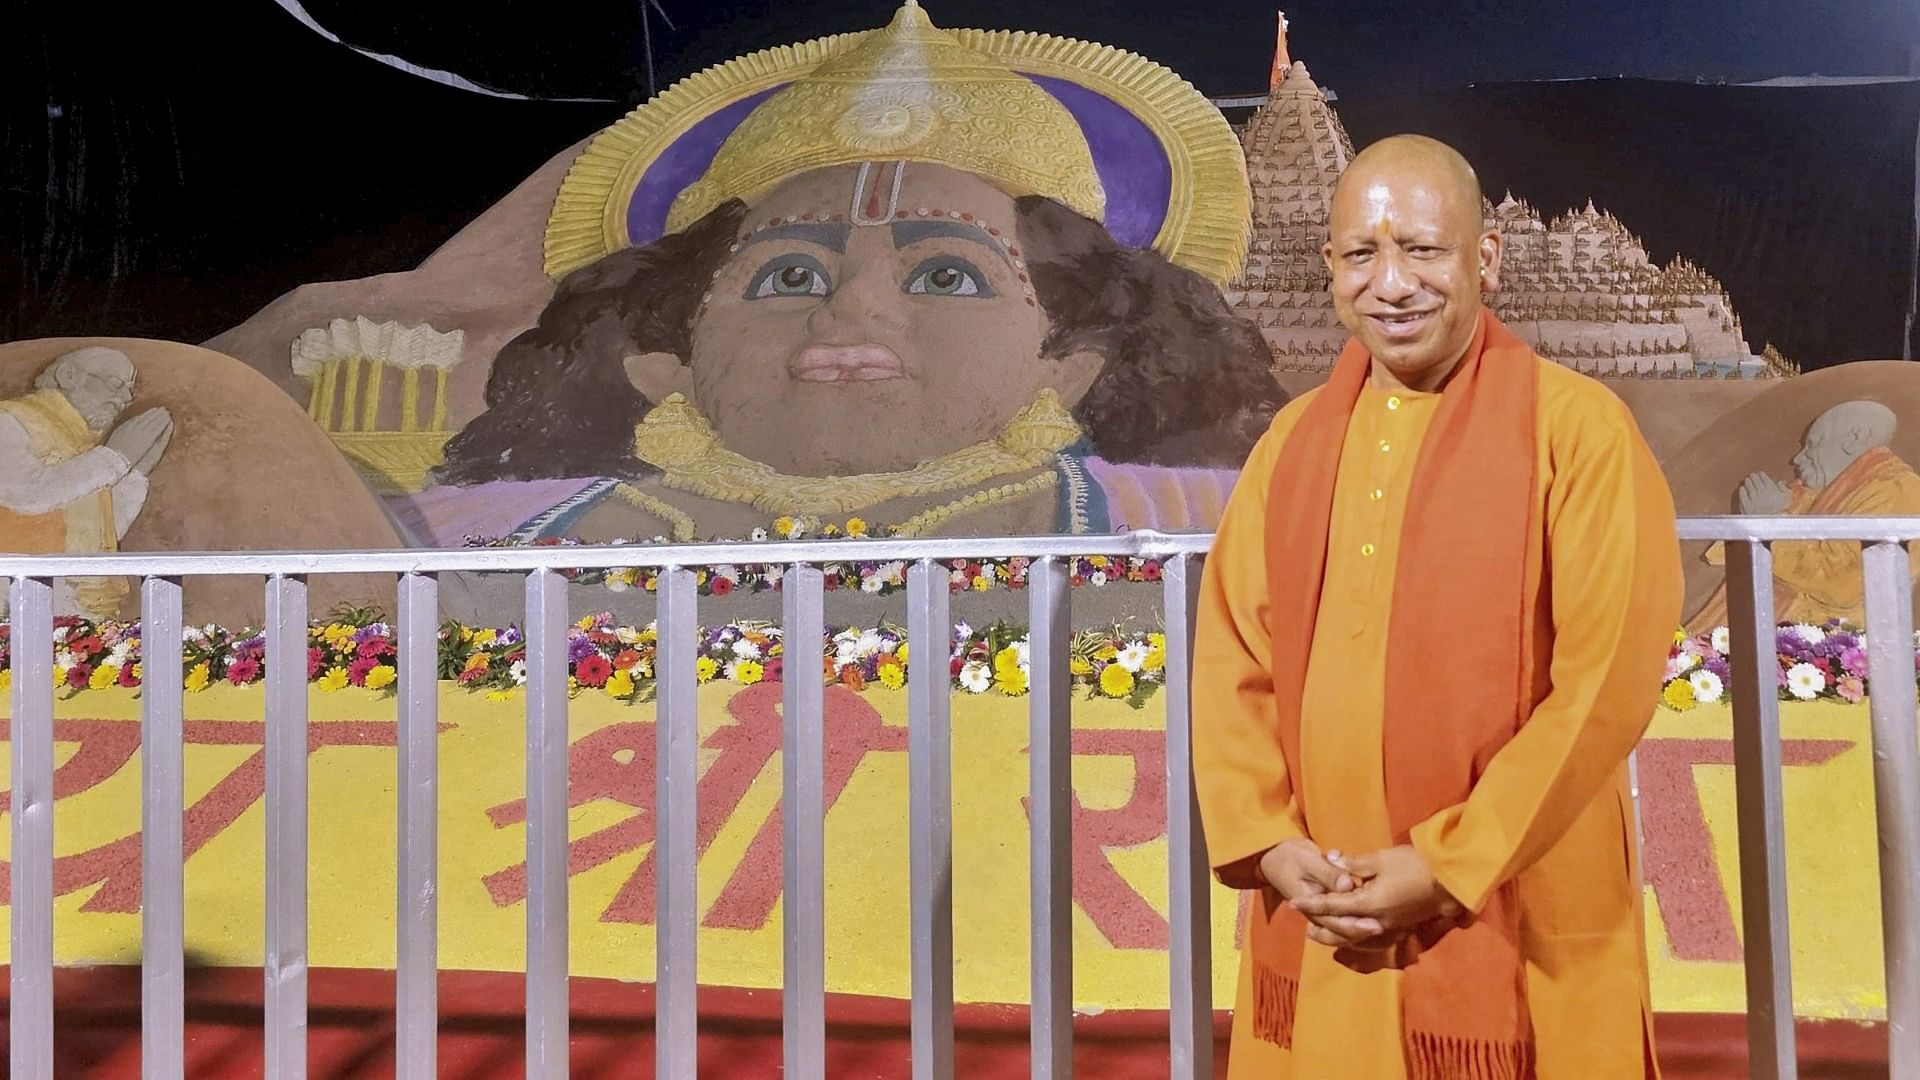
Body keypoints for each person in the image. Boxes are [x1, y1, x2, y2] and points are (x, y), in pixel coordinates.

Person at [416, 1, 1281, 544]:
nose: (849, 310)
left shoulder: (1197, 528)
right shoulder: (467, 540)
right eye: (788, 275)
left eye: (945, 276)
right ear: (665, 358)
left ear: (1068, 365)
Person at [1192, 134, 1682, 1078]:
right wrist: (1265, 838)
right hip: (1327, 906)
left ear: (1484, 258)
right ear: (1330, 268)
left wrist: (1449, 863)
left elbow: (1602, 688)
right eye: (1363, 256)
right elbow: (1232, 661)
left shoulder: (1577, 432)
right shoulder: (1290, 445)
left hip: (1517, 903)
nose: (1393, 284)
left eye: (1423, 250)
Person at [1685, 399, 1920, 633]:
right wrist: (1774, 512)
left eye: (1812, 444)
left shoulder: (1899, 489)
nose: (1798, 458)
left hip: (1836, 650)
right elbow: (1723, 555)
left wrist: (1771, 521)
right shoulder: (1825, 490)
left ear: (1854, 438)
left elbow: (1840, 584)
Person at [0, 346, 172, 617]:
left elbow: (100, 531)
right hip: (17, 590)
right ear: (69, 376)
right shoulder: (10, 420)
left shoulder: (81, 442)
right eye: (115, 384)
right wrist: (115, 457)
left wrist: (135, 476)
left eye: (129, 389)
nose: (126, 398)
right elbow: (26, 494)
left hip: (77, 600)